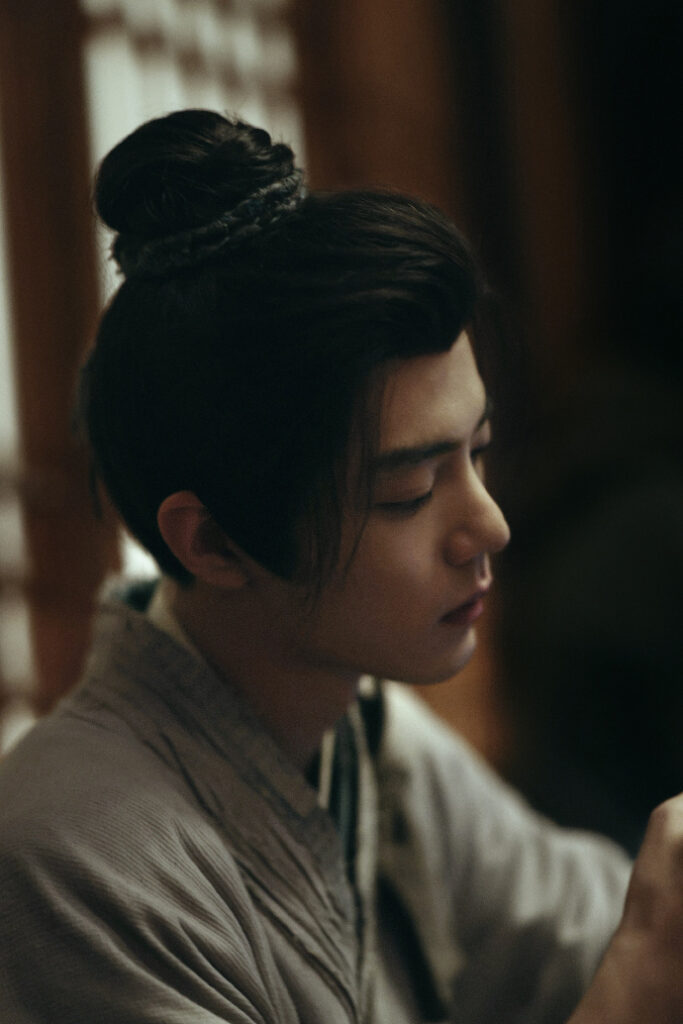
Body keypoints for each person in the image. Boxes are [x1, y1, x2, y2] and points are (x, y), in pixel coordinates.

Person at [0, 110, 680, 1024]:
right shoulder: (72, 859)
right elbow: (629, 965)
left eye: (478, 454)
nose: (488, 526)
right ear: (213, 542)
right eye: (408, 492)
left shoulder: (373, 739)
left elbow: (588, 924)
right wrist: (634, 983)